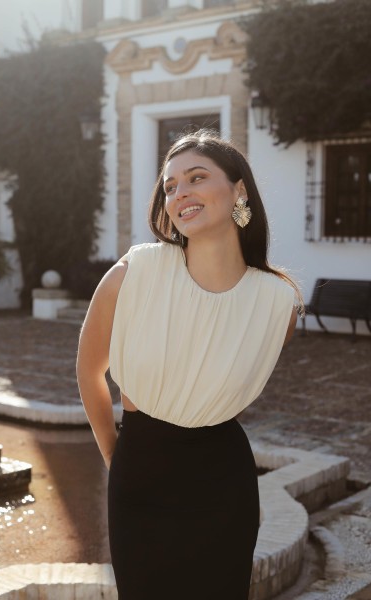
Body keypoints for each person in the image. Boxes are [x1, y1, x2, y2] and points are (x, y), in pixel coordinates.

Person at [76, 129, 301, 600]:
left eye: (197, 178)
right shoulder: (135, 273)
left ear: (239, 190)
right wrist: (117, 457)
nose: (181, 193)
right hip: (140, 474)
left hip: (224, 481)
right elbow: (89, 371)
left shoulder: (277, 302)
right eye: (171, 186)